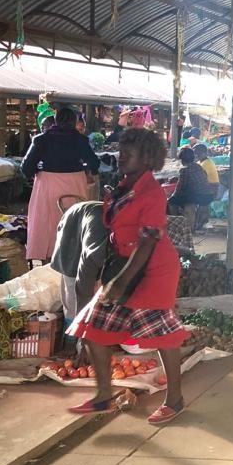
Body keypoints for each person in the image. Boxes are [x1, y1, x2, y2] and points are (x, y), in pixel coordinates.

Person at [67, 128, 186, 424]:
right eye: (121, 152)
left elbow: (147, 242)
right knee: (94, 327)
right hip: (126, 265)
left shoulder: (152, 194)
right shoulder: (124, 186)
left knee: (164, 336)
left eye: (128, 154)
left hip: (153, 269)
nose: (121, 158)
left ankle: (175, 399)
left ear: (146, 159)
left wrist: (119, 282)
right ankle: (104, 395)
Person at [21, 107, 100, 261]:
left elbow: (26, 168)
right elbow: (94, 163)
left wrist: (38, 170)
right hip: (75, 185)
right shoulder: (80, 140)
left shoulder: (41, 139)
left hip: (46, 186)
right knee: (73, 220)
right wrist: (84, 169)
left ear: (55, 121)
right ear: (74, 122)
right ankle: (71, 255)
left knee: (45, 220)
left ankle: (46, 257)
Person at [167, 147, 215, 230]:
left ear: (182, 160)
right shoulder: (198, 166)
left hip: (198, 196)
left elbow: (179, 188)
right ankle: (191, 224)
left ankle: (175, 223)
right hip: (208, 194)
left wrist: (171, 196)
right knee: (188, 199)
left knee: (171, 201)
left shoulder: (184, 169)